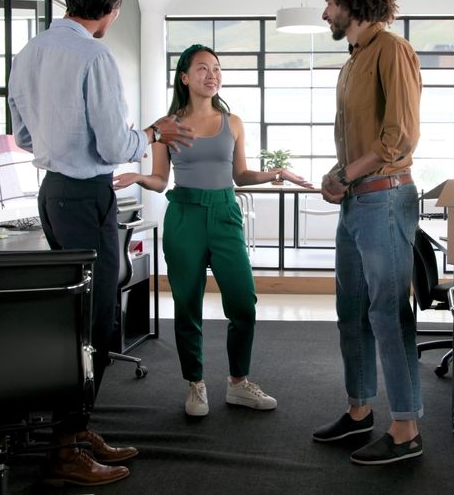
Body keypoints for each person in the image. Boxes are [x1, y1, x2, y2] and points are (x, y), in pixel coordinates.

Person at [8, 0, 194, 486]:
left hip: (53, 193)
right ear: (112, 10)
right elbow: (114, 146)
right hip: (86, 195)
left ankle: (75, 430)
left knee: (79, 317)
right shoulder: (94, 55)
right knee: (97, 322)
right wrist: (152, 134)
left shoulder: (30, 52)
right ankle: (65, 449)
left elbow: (22, 137)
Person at [117, 43, 312, 418]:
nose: (212, 75)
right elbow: (160, 180)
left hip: (225, 214)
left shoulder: (232, 122)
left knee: (243, 303)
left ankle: (239, 383)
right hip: (184, 215)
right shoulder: (167, 125)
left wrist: (277, 173)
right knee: (186, 305)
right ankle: (195, 383)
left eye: (217, 68)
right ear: (184, 77)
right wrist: (139, 177)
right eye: (203, 68)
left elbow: (241, 175)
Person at [307, 0, 424, 465]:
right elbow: (357, 140)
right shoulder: (353, 60)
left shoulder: (392, 50)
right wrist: (340, 176)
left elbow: (399, 135)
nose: (325, 12)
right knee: (351, 309)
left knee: (388, 313)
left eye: (330, 2)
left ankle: (406, 429)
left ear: (352, 3)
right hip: (358, 200)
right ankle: (359, 411)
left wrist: (346, 174)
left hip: (386, 198)